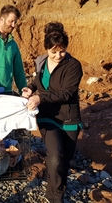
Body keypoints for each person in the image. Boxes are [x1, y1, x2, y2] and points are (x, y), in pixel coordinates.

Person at [22, 21, 83, 203]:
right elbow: (38, 82)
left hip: (69, 117)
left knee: (64, 160)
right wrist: (30, 88)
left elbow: (67, 92)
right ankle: (55, 198)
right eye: (53, 51)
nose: (58, 56)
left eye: (62, 51)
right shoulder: (40, 62)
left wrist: (40, 97)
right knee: (56, 156)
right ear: (47, 48)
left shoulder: (73, 66)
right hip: (47, 116)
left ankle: (53, 186)